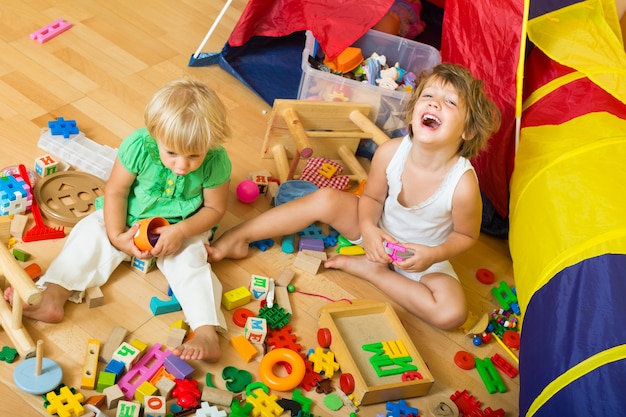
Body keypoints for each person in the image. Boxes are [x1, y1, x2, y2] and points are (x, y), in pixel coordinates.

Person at [207, 63, 501, 330]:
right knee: (325, 198)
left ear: (468, 131)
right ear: (413, 113)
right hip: (375, 228)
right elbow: (371, 200)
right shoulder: (389, 152)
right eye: (428, 97)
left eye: (450, 103)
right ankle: (240, 235)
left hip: (422, 255)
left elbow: (465, 235)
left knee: (451, 314)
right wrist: (371, 230)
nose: (435, 103)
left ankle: (376, 273)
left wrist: (433, 255)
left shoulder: (462, 184)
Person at [6, 78, 232, 361]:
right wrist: (116, 235)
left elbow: (214, 210)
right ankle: (53, 295)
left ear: (210, 143)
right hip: (129, 217)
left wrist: (182, 231)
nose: (182, 165)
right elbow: (116, 191)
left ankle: (206, 331)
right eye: (171, 153)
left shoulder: (216, 161)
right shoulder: (139, 145)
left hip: (183, 225)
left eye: (194, 155)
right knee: (89, 231)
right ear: (155, 136)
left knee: (192, 262)